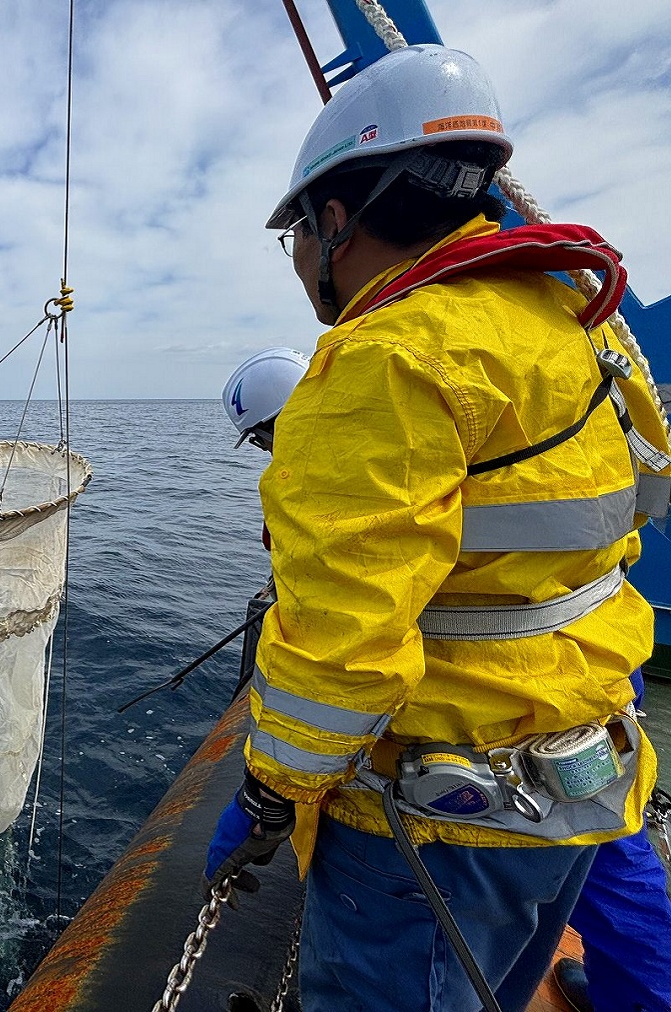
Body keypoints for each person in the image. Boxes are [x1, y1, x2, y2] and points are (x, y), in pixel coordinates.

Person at [204, 43, 671, 1012]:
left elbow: (343, 656)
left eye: (294, 235)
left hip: (440, 823)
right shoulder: (560, 327)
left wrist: (264, 794)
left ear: (336, 221)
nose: (297, 262)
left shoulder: (383, 359)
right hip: (579, 779)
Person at [222, 353, 671, 1012]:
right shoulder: (546, 375)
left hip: (483, 715)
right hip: (587, 660)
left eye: (266, 437)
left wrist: (267, 793)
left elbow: (355, 643)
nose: (269, 450)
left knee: (597, 850)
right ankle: (642, 995)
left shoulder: (364, 440)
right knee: (608, 839)